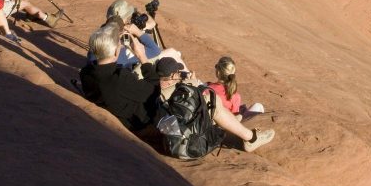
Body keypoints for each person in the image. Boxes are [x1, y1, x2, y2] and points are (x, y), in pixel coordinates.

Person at [80, 27, 274, 151]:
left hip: (131, 113)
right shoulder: (118, 78)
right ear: (115, 50)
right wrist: (142, 58)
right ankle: (250, 138)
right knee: (205, 98)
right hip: (149, 121)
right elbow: (153, 89)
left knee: (193, 87)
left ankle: (230, 123)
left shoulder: (87, 73)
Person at [156, 57, 274, 152]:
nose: (179, 74)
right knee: (255, 107)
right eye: (177, 73)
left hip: (191, 125)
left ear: (218, 72)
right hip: (210, 125)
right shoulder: (234, 95)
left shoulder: (207, 87)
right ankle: (251, 138)